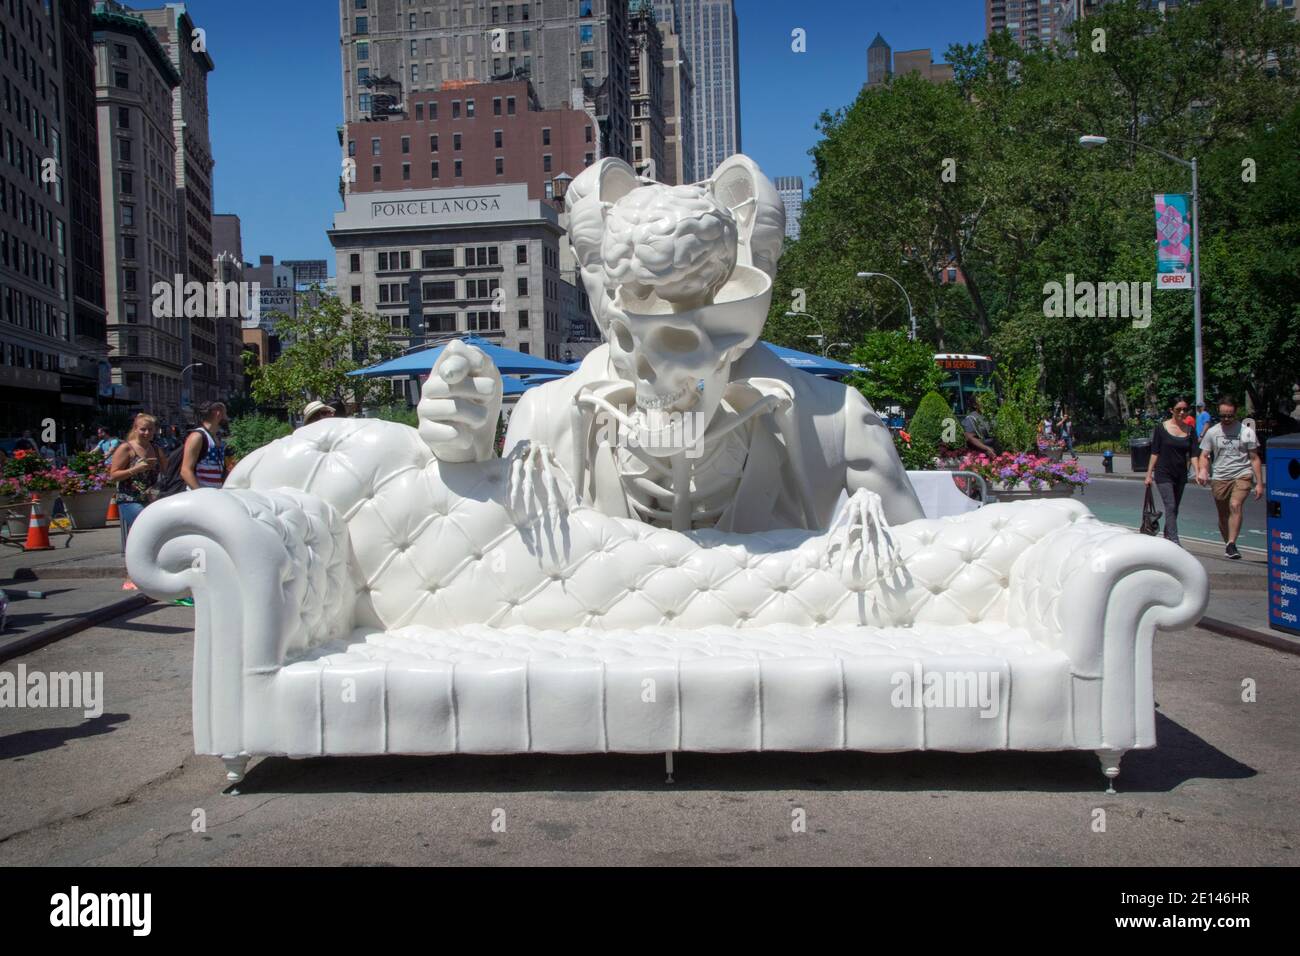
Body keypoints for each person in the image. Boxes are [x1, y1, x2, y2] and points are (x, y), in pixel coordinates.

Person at [1196, 396, 1263, 560]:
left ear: (1236, 413)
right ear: (1219, 413)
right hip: (1220, 476)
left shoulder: (1246, 432)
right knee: (1223, 514)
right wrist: (1203, 470)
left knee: (1235, 504)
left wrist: (1259, 483)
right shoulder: (1212, 432)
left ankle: (1232, 542)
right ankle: (1229, 544)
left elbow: (1254, 458)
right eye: (1223, 415)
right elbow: (1204, 455)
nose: (1226, 419)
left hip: (1242, 473)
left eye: (1230, 415)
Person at [107, 413, 168, 588]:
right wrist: (135, 469)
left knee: (154, 534)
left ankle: (151, 572)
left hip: (151, 498)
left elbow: (167, 470)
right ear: (135, 429)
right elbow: (113, 475)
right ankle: (131, 575)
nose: (147, 433)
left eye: (150, 429)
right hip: (129, 498)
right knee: (143, 530)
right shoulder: (126, 448)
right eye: (143, 429)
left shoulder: (156, 449)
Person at [1144, 398, 1198, 546]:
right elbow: (1155, 452)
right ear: (1171, 410)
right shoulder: (1161, 428)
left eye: (1185, 409)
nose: (1182, 412)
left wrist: (1198, 472)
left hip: (1180, 474)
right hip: (1163, 473)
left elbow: (1194, 454)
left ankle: (1168, 534)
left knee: (1175, 508)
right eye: (1179, 409)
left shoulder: (1190, 431)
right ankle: (1174, 540)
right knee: (1171, 506)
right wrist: (1149, 474)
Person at [180, 402, 228, 490]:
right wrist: (201, 495)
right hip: (201, 499)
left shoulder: (215, 437)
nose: (226, 417)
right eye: (225, 413)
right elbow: (185, 471)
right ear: (218, 413)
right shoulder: (197, 436)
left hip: (216, 495)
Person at [962, 392, 998, 458]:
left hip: (995, 452)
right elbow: (970, 437)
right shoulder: (971, 418)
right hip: (981, 455)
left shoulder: (991, 416)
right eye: (983, 402)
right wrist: (986, 448)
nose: (986, 404)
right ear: (975, 405)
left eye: (987, 401)